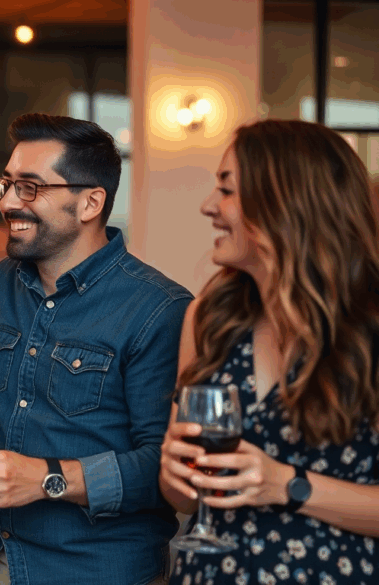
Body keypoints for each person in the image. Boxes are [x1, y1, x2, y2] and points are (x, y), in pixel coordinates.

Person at [0, 113, 193, 585]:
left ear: (91, 202)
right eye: (8, 184)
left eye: (32, 187)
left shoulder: (160, 309)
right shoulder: (3, 283)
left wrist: (45, 478)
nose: (11, 201)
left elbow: (168, 469)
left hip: (98, 570)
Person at [160, 120, 379, 585]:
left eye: (227, 190)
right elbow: (178, 494)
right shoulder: (208, 318)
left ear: (286, 200)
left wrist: (285, 484)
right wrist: (174, 476)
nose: (208, 207)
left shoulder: (370, 329)